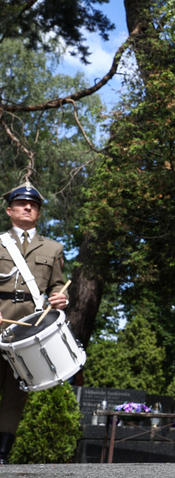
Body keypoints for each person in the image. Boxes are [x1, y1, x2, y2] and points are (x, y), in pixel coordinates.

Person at [0, 183, 69, 464]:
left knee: (16, 395)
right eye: (22, 204)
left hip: (29, 330)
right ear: (9, 210)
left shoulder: (53, 248)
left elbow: (59, 286)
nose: (29, 208)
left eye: (34, 206)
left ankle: (2, 455)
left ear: (38, 214)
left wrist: (63, 298)